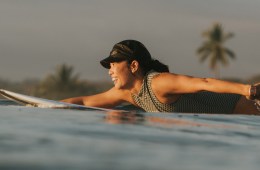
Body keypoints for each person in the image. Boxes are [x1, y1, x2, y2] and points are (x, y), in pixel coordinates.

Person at [62, 40, 260, 114]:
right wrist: (39, 106)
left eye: (114, 65)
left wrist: (249, 90)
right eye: (109, 66)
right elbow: (85, 101)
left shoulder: (159, 83)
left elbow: (203, 83)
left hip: (245, 109)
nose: (110, 71)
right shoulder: (126, 94)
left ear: (133, 66)